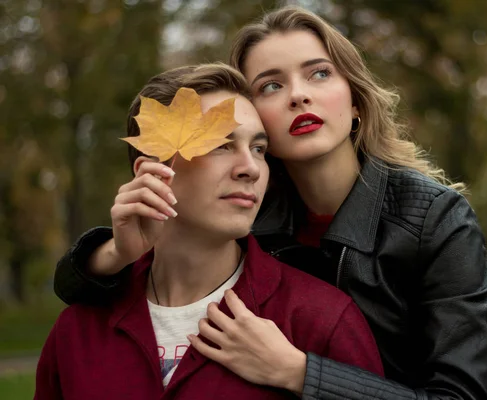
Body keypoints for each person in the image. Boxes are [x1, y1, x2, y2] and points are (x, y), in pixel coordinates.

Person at [53, 6, 487, 400]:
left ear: (357, 100)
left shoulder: (437, 220)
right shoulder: (241, 208)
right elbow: (79, 293)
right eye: (270, 85)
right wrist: (114, 252)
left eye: (319, 73)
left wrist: (300, 372)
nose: (299, 95)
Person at [35, 64, 384, 400]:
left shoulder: (318, 320)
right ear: (152, 172)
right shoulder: (77, 333)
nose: (251, 168)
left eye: (259, 149)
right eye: (220, 144)